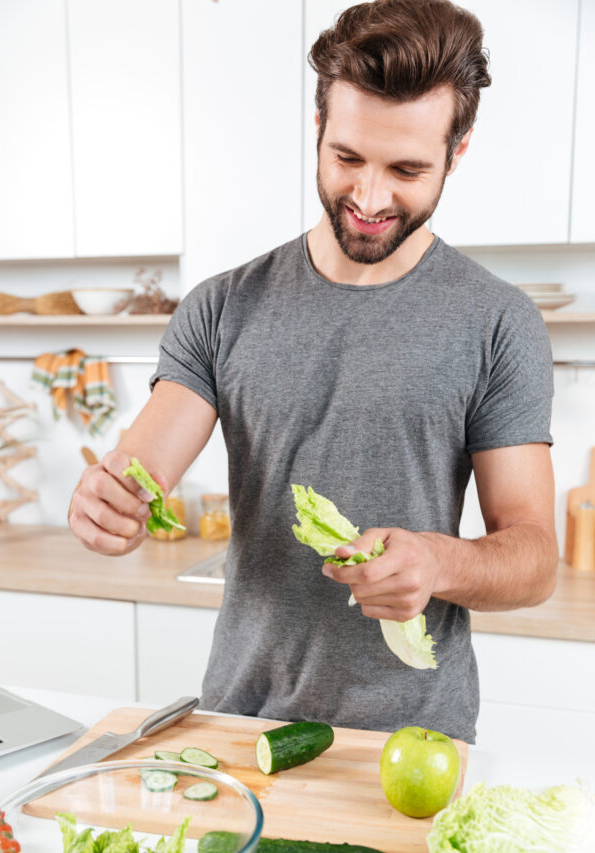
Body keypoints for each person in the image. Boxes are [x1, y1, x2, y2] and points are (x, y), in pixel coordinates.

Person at [68, 0, 557, 744]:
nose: (368, 199)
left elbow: (534, 558)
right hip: (239, 726)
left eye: (407, 169)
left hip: (410, 745)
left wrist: (436, 561)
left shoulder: (498, 322)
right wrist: (108, 506)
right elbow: (138, 474)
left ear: (457, 155)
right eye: (348, 158)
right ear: (318, 128)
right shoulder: (221, 307)